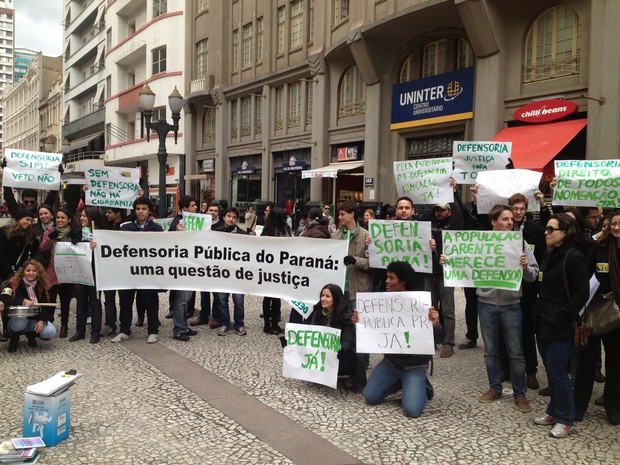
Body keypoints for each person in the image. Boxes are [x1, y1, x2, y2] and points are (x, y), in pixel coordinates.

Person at [469, 205, 538, 413]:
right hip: (486, 304)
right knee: (490, 351)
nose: (510, 222)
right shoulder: (480, 243)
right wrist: (449, 262)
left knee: (516, 353)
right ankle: (494, 388)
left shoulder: (520, 243)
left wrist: (526, 267)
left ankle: (520, 394)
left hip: (511, 306)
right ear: (493, 221)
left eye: (511, 219)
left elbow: (534, 274)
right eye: (505, 219)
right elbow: (464, 266)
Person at [358, 261, 444, 417]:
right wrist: (359, 321)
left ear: (403, 281)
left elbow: (439, 338)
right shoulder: (382, 301)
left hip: (415, 366)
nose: (387, 281)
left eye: (391, 278)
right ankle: (401, 383)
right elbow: (373, 329)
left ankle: (422, 386)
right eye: (387, 277)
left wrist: (436, 324)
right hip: (391, 363)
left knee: (412, 410)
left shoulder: (420, 303)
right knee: (370, 397)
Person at [532, 213, 589, 438]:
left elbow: (582, 293)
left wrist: (564, 315)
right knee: (552, 370)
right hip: (543, 319)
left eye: (550, 229)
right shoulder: (550, 254)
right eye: (546, 229)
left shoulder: (574, 257)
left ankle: (566, 418)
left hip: (559, 322)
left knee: (558, 371)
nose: (546, 232)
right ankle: (553, 411)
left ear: (564, 232)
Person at [573, 209, 620, 426]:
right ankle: (579, 405)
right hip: (594, 310)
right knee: (586, 361)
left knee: (615, 363)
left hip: (617, 315)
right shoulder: (599, 247)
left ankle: (612, 406)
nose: (616, 228)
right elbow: (584, 273)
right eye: (614, 224)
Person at [111, 197, 163, 344]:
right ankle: (124, 330)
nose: (140, 212)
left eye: (144, 209)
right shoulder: (125, 227)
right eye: (138, 209)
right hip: (128, 272)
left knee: (150, 301)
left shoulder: (156, 229)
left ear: (149, 211)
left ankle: (153, 331)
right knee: (125, 302)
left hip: (148, 272)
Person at [420, 199, 463, 358]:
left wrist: (454, 193)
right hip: (428, 271)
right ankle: (431, 339)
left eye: (443, 210)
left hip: (446, 273)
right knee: (430, 308)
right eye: (437, 209)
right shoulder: (427, 221)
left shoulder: (454, 224)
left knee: (447, 310)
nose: (439, 212)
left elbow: (460, 216)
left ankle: (448, 343)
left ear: (450, 212)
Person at [310, 283, 366, 391]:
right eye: (322, 295)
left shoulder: (346, 315)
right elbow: (312, 332)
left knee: (353, 358)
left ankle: (349, 374)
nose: (323, 299)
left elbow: (346, 341)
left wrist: (334, 349)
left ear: (335, 299)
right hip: (323, 350)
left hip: (341, 352)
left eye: (327, 296)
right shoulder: (317, 311)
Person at [38, 208, 81, 339]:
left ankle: (64, 325)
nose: (60, 220)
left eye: (63, 218)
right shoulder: (50, 231)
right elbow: (42, 248)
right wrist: (50, 238)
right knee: (50, 299)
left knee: (65, 300)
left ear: (69, 220)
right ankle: (48, 324)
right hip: (52, 270)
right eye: (58, 218)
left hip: (67, 271)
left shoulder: (73, 232)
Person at [0, 259, 57, 352]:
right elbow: (3, 299)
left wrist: (42, 320)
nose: (31, 273)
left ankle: (31, 335)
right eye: (28, 270)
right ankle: (14, 340)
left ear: (38, 272)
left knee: (50, 331)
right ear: (23, 272)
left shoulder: (41, 285)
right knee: (21, 321)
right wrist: (22, 301)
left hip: (34, 318)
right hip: (15, 319)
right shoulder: (13, 284)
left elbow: (45, 307)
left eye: (34, 271)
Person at [69, 207, 105, 344]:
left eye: (85, 216)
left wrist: (98, 245)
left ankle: (95, 332)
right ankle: (80, 331)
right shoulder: (77, 232)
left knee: (95, 302)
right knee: (81, 302)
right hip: (81, 272)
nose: (82, 218)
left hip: (95, 273)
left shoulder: (101, 233)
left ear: (92, 218)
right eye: (81, 216)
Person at [168, 196, 200, 342]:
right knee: (181, 299)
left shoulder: (196, 221)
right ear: (185, 209)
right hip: (181, 267)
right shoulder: (177, 223)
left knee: (186, 298)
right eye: (193, 205)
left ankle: (184, 326)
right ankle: (178, 329)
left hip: (191, 266)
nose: (196, 208)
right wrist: (177, 233)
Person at [190, 200, 225, 328]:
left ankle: (216, 317)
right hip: (203, 263)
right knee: (204, 291)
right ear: (206, 211)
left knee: (216, 292)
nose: (213, 213)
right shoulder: (199, 225)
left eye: (216, 211)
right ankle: (204, 316)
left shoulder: (223, 225)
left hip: (217, 264)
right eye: (211, 210)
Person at [213, 208, 247, 336]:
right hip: (221, 272)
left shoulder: (243, 234)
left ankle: (239, 324)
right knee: (222, 299)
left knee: (238, 301)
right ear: (224, 218)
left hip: (238, 274)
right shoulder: (217, 233)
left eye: (233, 217)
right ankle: (224, 323)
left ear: (236, 219)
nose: (231, 219)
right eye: (228, 216)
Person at [332, 200, 372, 307]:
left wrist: (355, 260)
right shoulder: (336, 235)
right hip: (338, 288)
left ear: (352, 214)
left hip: (358, 289)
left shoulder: (366, 236)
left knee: (356, 322)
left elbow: (371, 264)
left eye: (342, 214)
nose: (339, 217)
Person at [261, 206, 291, 334]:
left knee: (277, 297)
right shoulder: (268, 231)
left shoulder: (286, 228)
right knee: (268, 296)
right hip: (270, 268)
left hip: (282, 268)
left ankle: (275, 323)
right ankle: (267, 324)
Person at [100, 207, 127, 337]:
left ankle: (124, 326)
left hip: (123, 269)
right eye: (106, 212)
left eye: (110, 212)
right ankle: (110, 324)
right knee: (109, 298)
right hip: (108, 268)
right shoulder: (103, 224)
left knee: (124, 299)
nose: (107, 214)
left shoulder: (128, 224)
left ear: (118, 213)